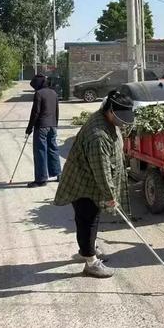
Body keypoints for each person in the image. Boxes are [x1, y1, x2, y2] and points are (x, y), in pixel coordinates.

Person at [54, 90, 133, 278]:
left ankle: (88, 249)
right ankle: (90, 262)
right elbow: (102, 171)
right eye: (120, 117)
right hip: (83, 183)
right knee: (87, 220)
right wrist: (110, 196)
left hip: (91, 179)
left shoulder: (107, 119)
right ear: (110, 111)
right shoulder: (97, 136)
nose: (122, 122)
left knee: (91, 219)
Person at [25, 74, 61, 188]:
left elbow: (35, 112)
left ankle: (41, 179)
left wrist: (29, 128)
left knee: (40, 152)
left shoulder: (39, 94)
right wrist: (55, 124)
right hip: (52, 126)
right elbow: (57, 111)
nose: (34, 88)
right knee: (53, 149)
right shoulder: (54, 93)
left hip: (41, 127)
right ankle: (58, 174)